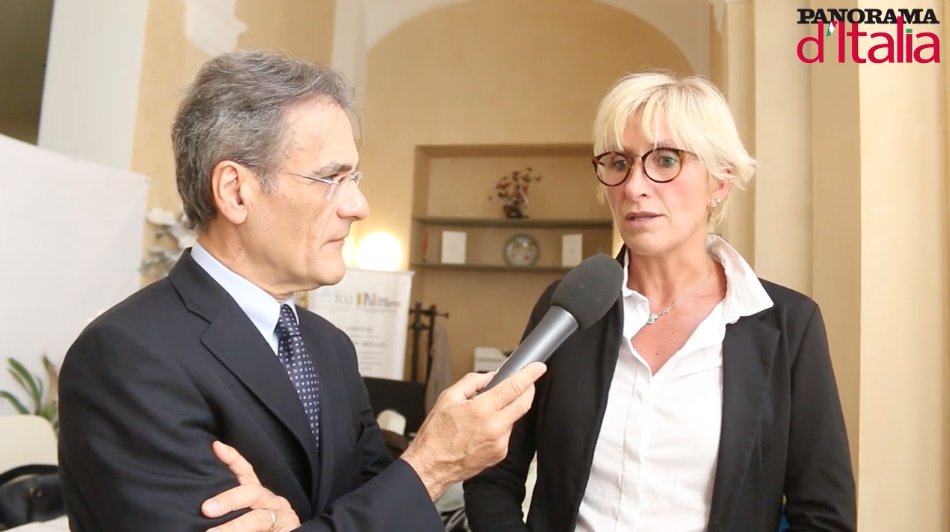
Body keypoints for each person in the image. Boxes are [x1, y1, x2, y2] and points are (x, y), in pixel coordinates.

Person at [56, 49, 546, 532]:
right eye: (332, 178)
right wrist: (432, 465)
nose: (359, 206)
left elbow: (384, 505)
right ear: (236, 191)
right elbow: (390, 502)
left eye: (354, 178)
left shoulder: (329, 346)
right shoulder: (127, 356)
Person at [463, 72, 857, 532]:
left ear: (720, 181)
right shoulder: (568, 308)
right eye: (618, 163)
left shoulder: (788, 324)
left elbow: (822, 515)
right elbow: (491, 473)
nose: (634, 187)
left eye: (666, 160)